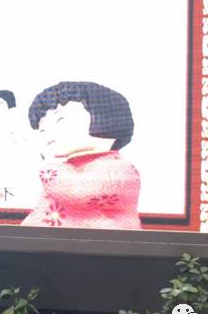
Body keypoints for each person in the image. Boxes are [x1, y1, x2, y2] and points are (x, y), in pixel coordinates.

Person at [21, 81, 141, 230]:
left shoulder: (118, 168)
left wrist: (51, 164)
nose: (47, 132)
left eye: (60, 120)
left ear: (104, 117)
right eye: (42, 129)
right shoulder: (67, 168)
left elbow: (78, 193)